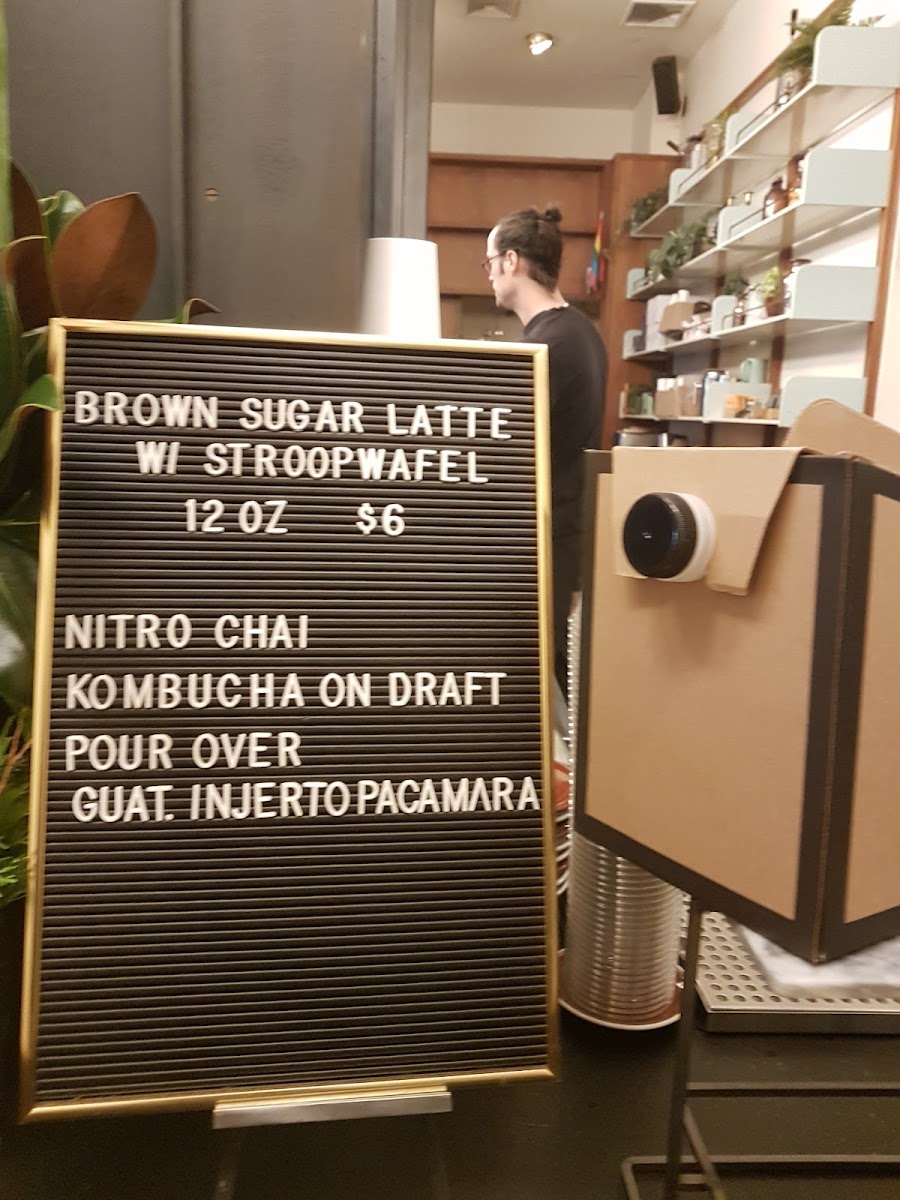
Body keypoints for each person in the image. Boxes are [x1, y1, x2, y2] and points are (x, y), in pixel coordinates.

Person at [484, 206, 607, 696]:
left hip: (543, 547)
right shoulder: (578, 331)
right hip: (562, 538)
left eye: (490, 263)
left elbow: (506, 452)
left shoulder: (547, 347)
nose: (490, 275)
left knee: (533, 687)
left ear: (511, 261)